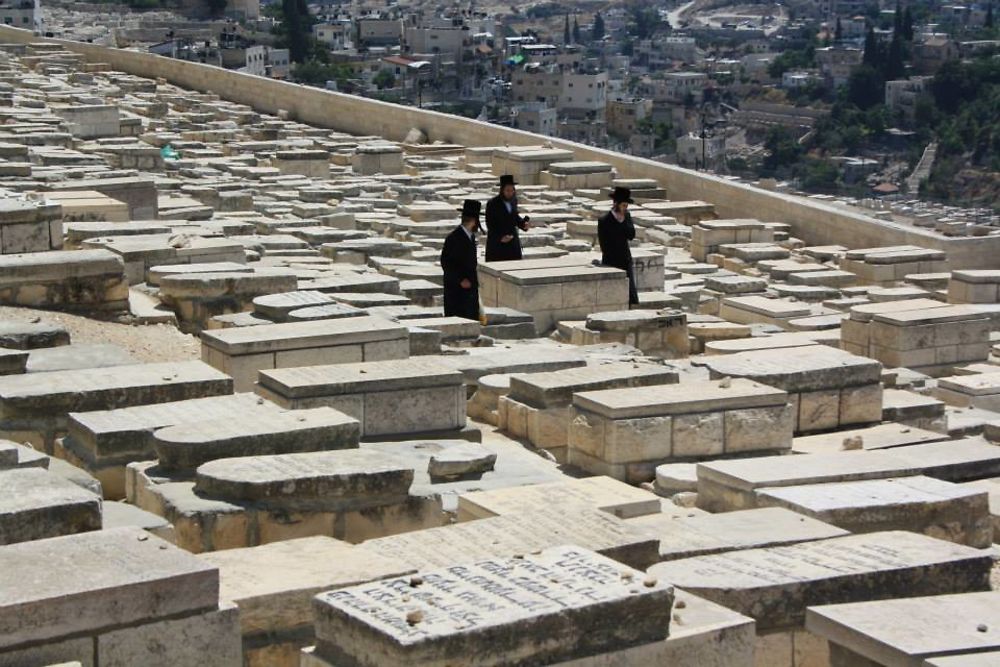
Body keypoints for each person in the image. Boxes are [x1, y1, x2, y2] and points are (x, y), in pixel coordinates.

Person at [440, 199, 482, 321]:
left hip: (470, 291)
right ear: (474, 221)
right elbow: (446, 262)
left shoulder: (470, 236)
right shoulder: (454, 238)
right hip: (456, 292)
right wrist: (460, 280)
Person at [597, 186, 639, 305]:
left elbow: (631, 235)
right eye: (623, 205)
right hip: (611, 261)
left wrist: (623, 221)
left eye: (626, 206)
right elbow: (604, 245)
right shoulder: (604, 221)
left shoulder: (627, 216)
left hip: (625, 260)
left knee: (630, 295)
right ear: (616, 204)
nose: (625, 208)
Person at [484, 174, 531, 262]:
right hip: (498, 244)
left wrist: (523, 224)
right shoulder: (492, 203)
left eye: (512, 190)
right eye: (507, 190)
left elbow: (514, 217)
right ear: (502, 190)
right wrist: (500, 237)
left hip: (512, 242)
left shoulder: (513, 201)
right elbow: (490, 224)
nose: (510, 193)